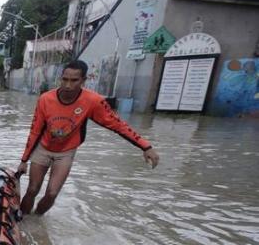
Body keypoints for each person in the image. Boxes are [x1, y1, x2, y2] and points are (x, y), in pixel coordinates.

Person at [17, 60, 160, 216]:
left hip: (66, 152)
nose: (68, 85)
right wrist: (24, 161)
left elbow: (117, 124)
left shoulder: (93, 101)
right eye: (65, 79)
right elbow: (35, 131)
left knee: (52, 193)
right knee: (32, 189)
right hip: (43, 148)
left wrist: (145, 146)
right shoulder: (45, 99)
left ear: (84, 80)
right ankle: (22, 221)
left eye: (74, 80)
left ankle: (37, 220)